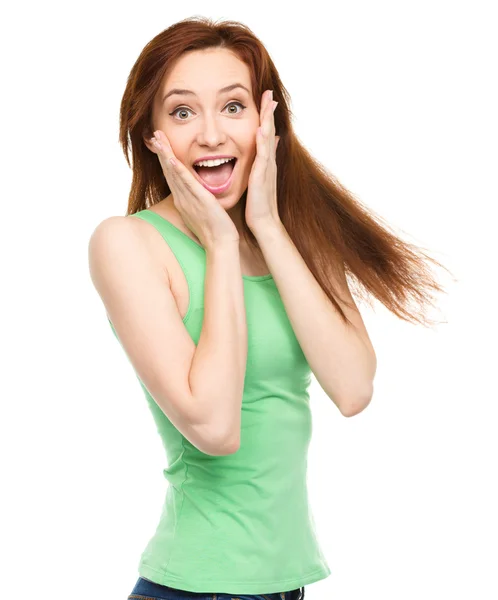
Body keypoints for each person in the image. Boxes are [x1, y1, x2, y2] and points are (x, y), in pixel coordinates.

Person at [88, 16, 452, 600]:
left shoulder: (302, 238)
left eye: (232, 107)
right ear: (152, 135)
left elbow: (354, 388)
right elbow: (213, 426)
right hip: (194, 587)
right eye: (182, 112)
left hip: (287, 586)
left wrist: (265, 225)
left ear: (267, 119)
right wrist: (223, 245)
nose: (210, 135)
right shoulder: (128, 244)